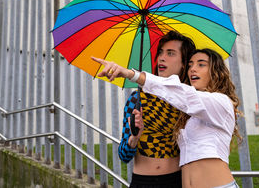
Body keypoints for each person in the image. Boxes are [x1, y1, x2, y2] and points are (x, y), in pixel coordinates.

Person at [92, 48, 241, 188]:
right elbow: (124, 154)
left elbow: (181, 93)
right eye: (191, 65)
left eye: (201, 64)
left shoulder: (221, 102)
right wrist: (134, 138)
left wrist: (132, 74)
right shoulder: (189, 114)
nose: (193, 69)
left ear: (216, 71)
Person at [115, 31, 196, 188]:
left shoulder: (189, 101)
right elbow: (123, 156)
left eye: (170, 53)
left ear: (184, 63)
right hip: (142, 182)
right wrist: (134, 138)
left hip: (177, 181)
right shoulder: (136, 99)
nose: (162, 57)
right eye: (160, 52)